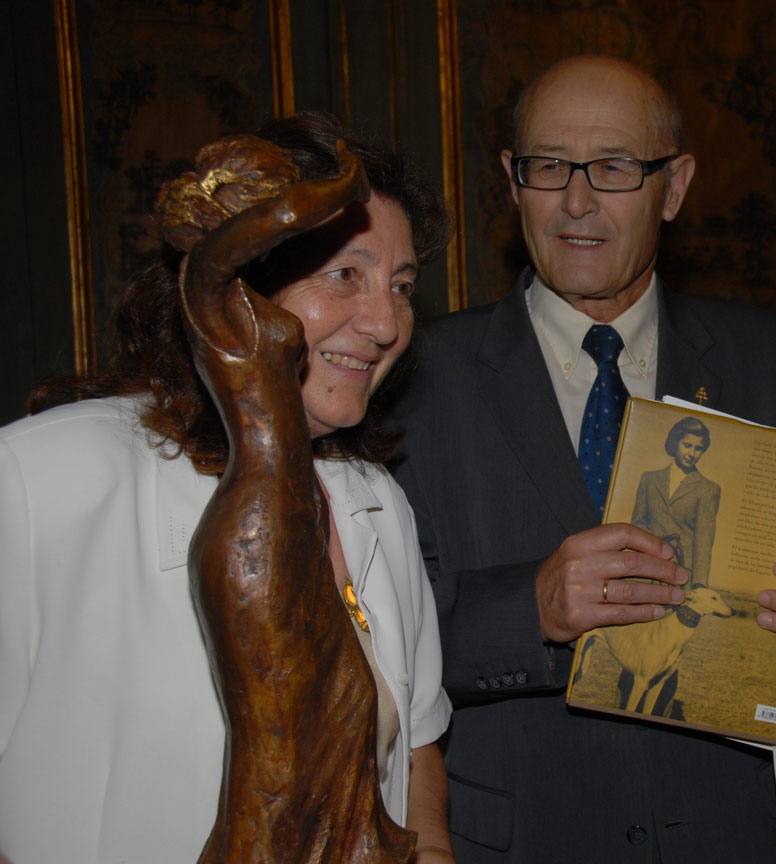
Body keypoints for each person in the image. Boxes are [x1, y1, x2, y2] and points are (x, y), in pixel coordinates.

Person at [391, 55, 776, 862]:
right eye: (548, 168)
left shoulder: (773, 363)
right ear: (512, 182)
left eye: (613, 168)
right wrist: (528, 611)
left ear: (673, 187)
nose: (577, 203)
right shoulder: (412, 379)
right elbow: (370, 650)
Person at [0, 113, 455, 863]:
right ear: (239, 286)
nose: (384, 323)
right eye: (345, 274)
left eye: (401, 286)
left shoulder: (374, 501)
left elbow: (415, 746)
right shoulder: (42, 481)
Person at [631, 416, 720, 586]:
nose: (692, 454)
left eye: (698, 448)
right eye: (687, 445)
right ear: (675, 443)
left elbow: (703, 543)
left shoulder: (708, 489)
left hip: (681, 576)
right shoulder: (649, 479)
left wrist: (699, 585)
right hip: (644, 570)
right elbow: (637, 524)